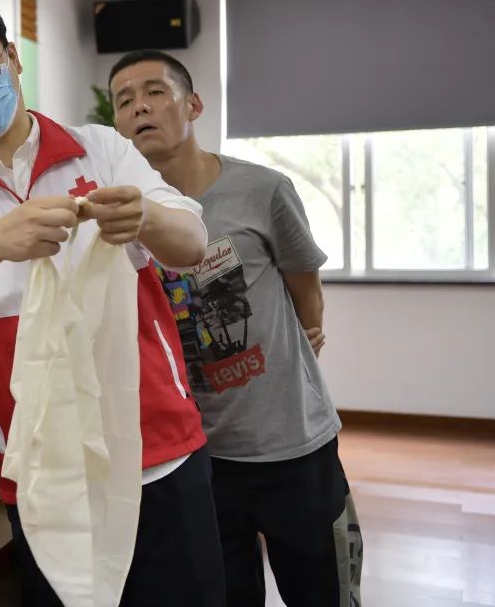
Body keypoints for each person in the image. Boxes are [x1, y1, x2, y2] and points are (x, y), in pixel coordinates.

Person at [0, 0, 226, 606]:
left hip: (154, 442)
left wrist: (146, 217)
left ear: (13, 58)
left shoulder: (100, 148)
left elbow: (191, 243)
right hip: (40, 464)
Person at [109, 49, 362, 606]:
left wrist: (303, 341)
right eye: (123, 101)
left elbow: (305, 286)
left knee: (324, 592)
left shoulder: (262, 189)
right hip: (197, 458)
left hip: (293, 445)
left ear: (193, 105)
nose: (139, 107)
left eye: (155, 92)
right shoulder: (122, 218)